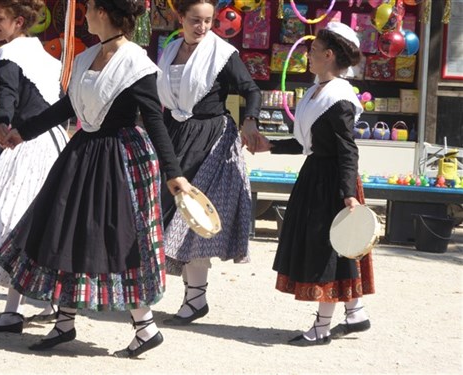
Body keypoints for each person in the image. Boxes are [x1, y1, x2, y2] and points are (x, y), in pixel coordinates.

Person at [0, 0, 191, 357]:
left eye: (88, 9)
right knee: (69, 232)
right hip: (84, 154)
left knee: (114, 240)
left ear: (104, 13)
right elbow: (67, 107)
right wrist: (22, 132)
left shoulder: (136, 63)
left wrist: (173, 174)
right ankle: (65, 322)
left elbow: (155, 120)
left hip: (122, 159)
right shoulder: (86, 58)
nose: (83, 15)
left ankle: (145, 326)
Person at [253, 22, 375, 346]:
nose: (308, 55)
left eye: (313, 50)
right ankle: (356, 313)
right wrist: (271, 145)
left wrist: (348, 194)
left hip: (333, 183)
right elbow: (308, 142)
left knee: (328, 250)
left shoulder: (339, 99)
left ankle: (321, 328)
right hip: (317, 176)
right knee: (337, 249)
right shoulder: (317, 91)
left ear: (329, 54)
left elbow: (347, 149)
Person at [0, 0, 69, 333]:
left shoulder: (8, 55)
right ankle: (51, 303)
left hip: (24, 145)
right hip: (56, 145)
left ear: (18, 21)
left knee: (11, 223)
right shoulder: (48, 58)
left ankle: (11, 312)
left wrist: (2, 121)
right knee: (45, 222)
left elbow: (7, 95)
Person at [156, 0, 261, 325]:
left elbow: (250, 90)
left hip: (211, 140)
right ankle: (193, 296)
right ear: (180, 19)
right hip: (176, 135)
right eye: (195, 20)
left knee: (194, 216)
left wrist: (251, 122)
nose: (201, 27)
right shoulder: (171, 50)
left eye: (207, 21)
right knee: (172, 213)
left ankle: (196, 298)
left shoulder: (222, 53)